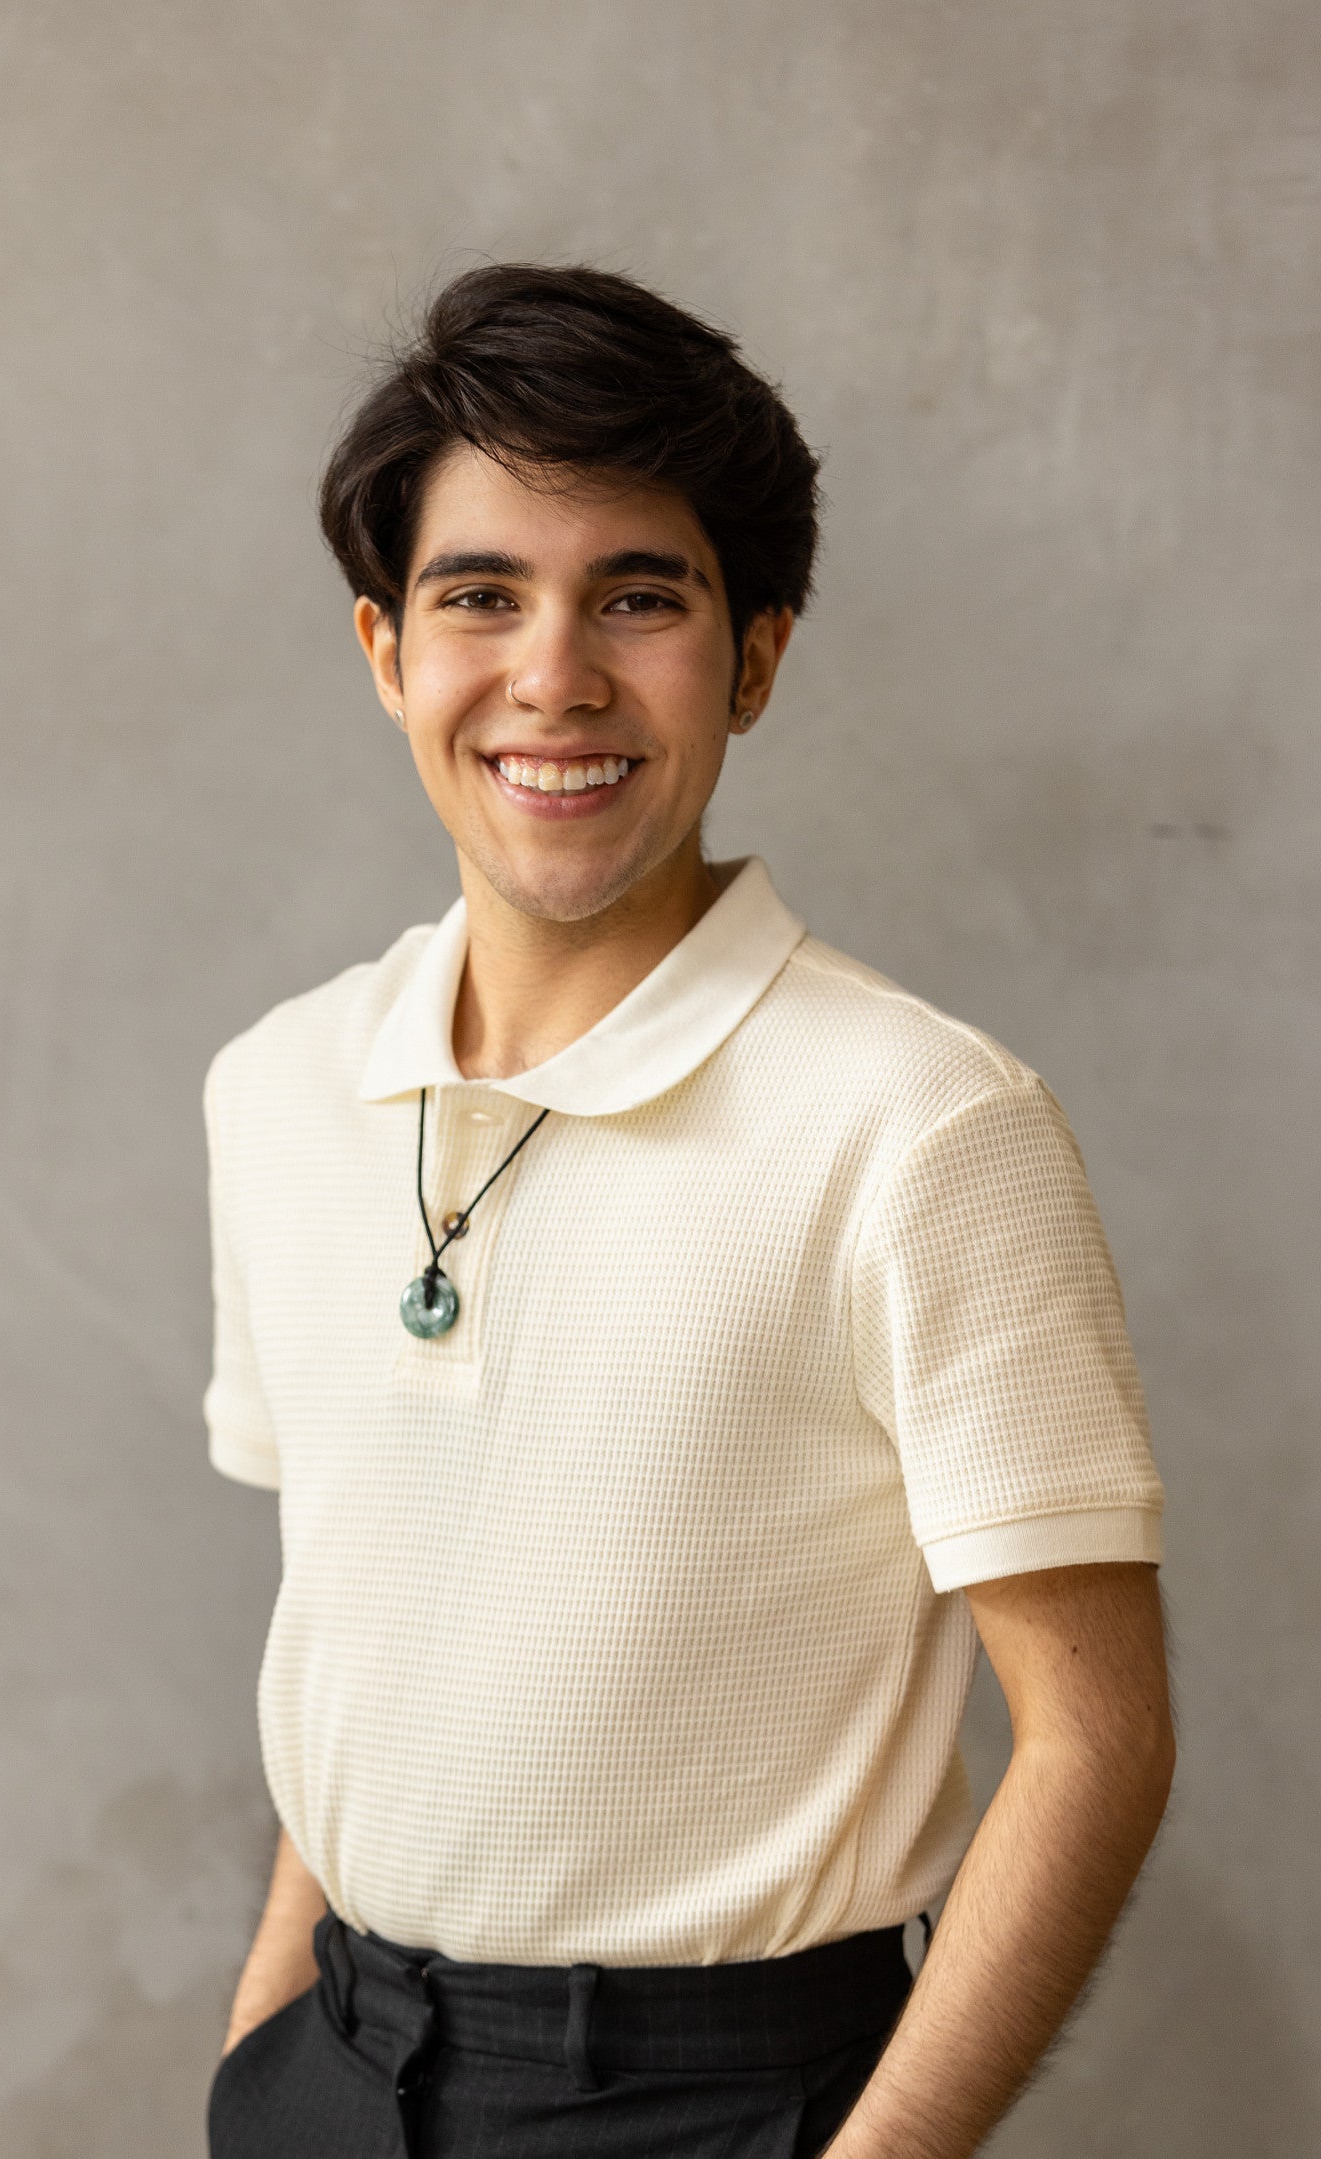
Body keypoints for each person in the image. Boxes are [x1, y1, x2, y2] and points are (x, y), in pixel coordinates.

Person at [199, 264, 1173, 2159]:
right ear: (388, 649)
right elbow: (374, 1617)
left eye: (639, 595)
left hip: (714, 2105)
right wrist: (261, 2050)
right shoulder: (276, 1086)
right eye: (483, 594)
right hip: (328, 2068)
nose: (554, 676)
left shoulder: (923, 1121)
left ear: (757, 655)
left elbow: (1095, 1740)